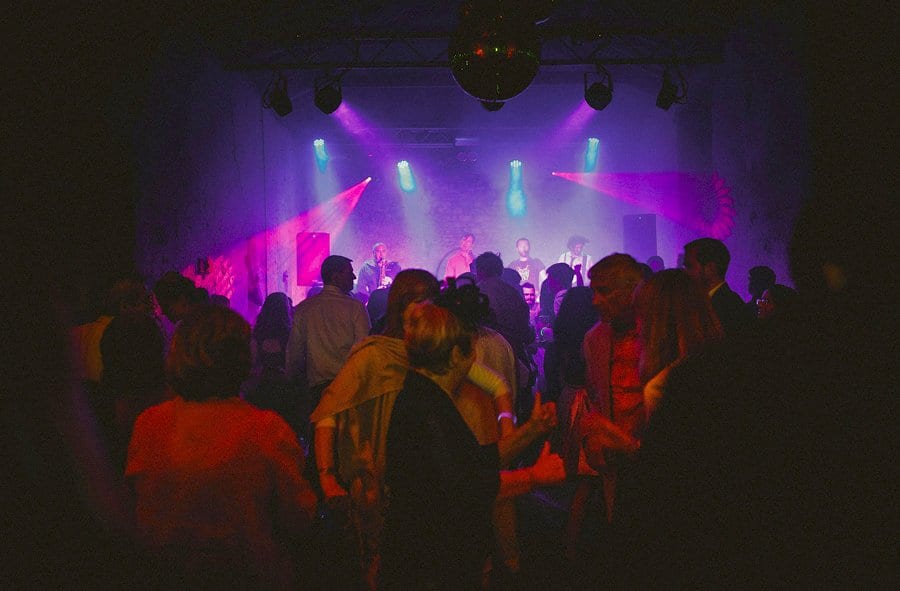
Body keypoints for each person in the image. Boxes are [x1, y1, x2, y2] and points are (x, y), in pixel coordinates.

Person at [309, 270, 522, 589]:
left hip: (423, 468)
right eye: (416, 299)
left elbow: (496, 384)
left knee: (429, 551)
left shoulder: (431, 347)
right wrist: (326, 477)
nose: (424, 306)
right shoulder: (373, 353)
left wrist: (508, 426)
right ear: (399, 305)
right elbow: (329, 411)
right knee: (383, 559)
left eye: (429, 299)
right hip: (378, 469)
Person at [125, 306, 317, 589]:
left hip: (165, 575)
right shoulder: (264, 428)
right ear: (241, 356)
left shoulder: (149, 423)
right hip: (248, 575)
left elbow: (138, 504)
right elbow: (299, 517)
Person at [379, 303, 563, 591]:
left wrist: (530, 430)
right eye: (471, 349)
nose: (475, 357)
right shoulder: (426, 408)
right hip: (429, 567)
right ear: (455, 355)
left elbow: (472, 461)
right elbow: (468, 485)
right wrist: (535, 476)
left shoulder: (428, 396)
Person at [286, 255, 370, 432]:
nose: (354, 277)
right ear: (335, 276)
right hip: (349, 389)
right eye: (350, 273)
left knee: (320, 439)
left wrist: (293, 382)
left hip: (317, 390)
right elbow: (363, 350)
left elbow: (295, 354)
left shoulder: (304, 309)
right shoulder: (355, 308)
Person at [683, 238, 753, 334]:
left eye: (689, 266)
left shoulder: (728, 308)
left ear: (710, 269)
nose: (684, 273)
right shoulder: (708, 301)